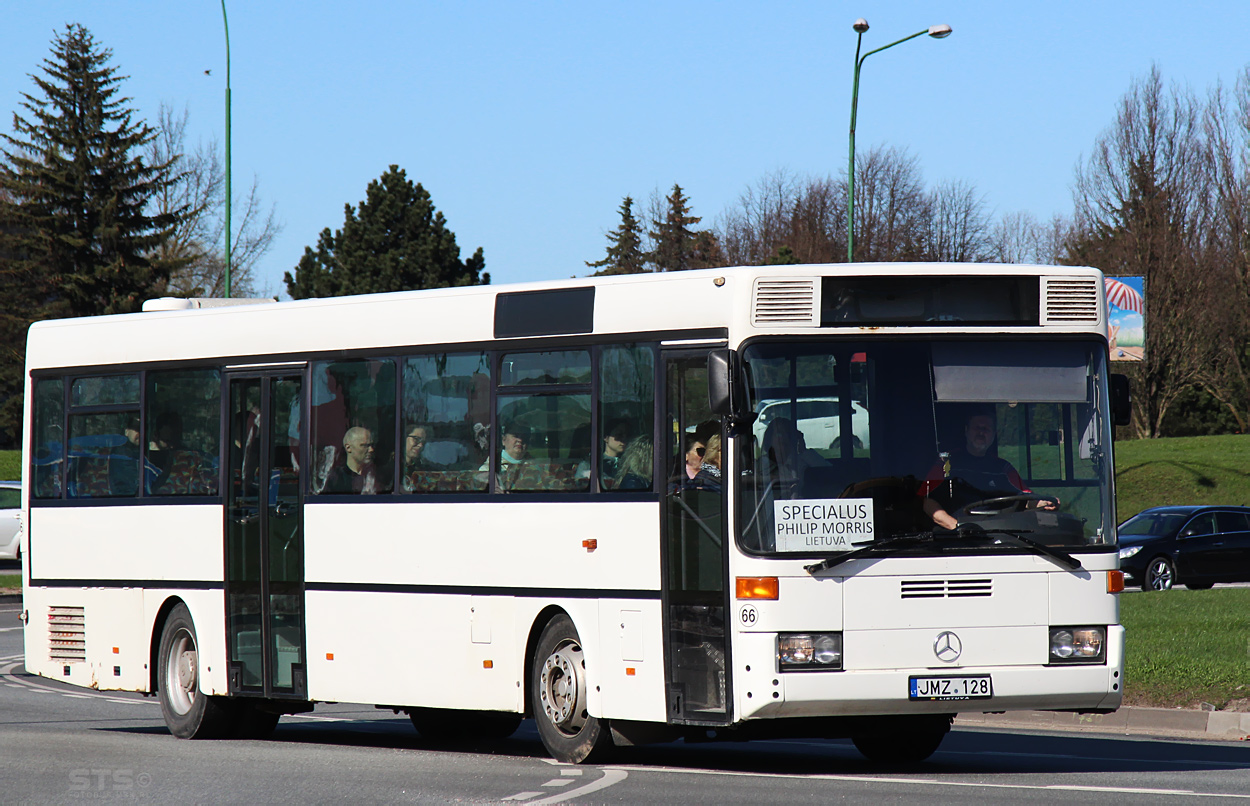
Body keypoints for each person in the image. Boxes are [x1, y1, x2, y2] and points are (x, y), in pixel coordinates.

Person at [921, 409, 1056, 530]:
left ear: (993, 435)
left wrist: (1043, 503)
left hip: (998, 537)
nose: (981, 432)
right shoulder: (947, 462)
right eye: (977, 428)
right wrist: (956, 526)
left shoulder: (1003, 468)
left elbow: (1026, 498)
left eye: (987, 429)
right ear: (966, 431)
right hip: (957, 541)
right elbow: (927, 501)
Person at [323, 426, 384, 494]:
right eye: (364, 445)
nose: (371, 450)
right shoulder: (336, 479)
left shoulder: (378, 476)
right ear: (348, 448)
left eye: (371, 445)